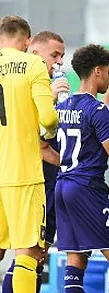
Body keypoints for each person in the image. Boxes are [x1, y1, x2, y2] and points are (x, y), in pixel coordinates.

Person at [54, 44, 109, 292]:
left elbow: (42, 147)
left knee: (76, 258)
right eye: (108, 71)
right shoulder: (97, 110)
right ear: (97, 71)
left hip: (63, 184)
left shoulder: (61, 107)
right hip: (87, 188)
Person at [1, 30, 68, 293]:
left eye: (62, 56)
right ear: (34, 51)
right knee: (30, 254)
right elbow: (42, 135)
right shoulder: (34, 78)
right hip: (26, 179)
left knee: (31, 257)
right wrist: (68, 163)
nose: (59, 62)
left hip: (24, 178)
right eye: (54, 55)